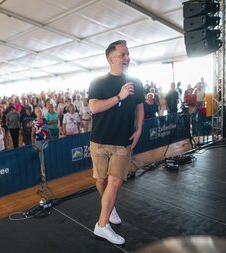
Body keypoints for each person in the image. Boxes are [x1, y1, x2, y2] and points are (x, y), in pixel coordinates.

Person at [88, 40, 144, 245]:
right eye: (123, 55)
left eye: (128, 54)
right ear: (111, 59)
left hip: (123, 142)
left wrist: (139, 129)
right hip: (99, 142)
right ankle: (109, 208)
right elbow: (94, 107)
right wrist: (119, 97)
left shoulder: (136, 82)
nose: (127, 58)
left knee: (115, 182)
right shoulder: (98, 82)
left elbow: (139, 106)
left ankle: (101, 225)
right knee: (101, 181)